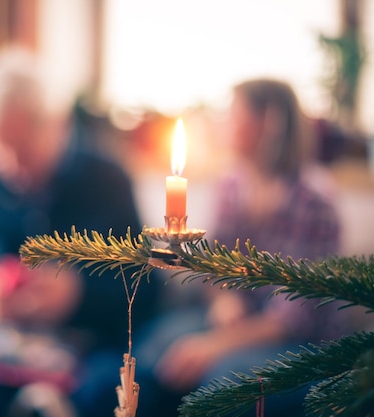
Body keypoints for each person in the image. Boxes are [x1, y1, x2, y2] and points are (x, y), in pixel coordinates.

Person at [0, 46, 158, 417]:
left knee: (107, 395)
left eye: (23, 149)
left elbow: (146, 289)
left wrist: (78, 293)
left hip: (89, 344)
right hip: (3, 349)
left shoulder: (107, 178)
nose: (11, 166)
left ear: (57, 126)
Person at [136, 79, 349, 417]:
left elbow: (292, 319)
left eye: (233, 112)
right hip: (242, 322)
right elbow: (215, 264)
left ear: (268, 122)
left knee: (220, 383)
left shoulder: (313, 201)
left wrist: (212, 346)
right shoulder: (233, 183)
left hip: (300, 346)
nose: (223, 121)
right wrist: (223, 297)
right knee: (155, 348)